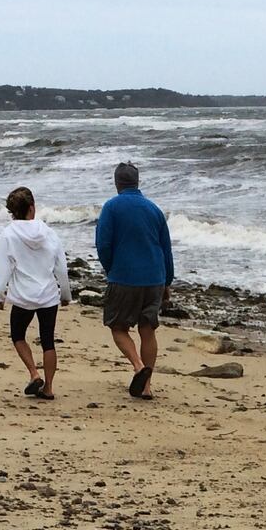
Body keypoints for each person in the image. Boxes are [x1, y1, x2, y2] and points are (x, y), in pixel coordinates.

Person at [95, 162, 174, 400]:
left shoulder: (111, 207)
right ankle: (147, 386)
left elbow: (103, 244)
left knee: (118, 327)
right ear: (137, 182)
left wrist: (111, 269)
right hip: (154, 277)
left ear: (117, 182)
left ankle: (139, 367)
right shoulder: (153, 209)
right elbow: (166, 248)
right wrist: (167, 280)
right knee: (147, 330)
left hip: (125, 276)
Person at [0, 187, 72, 400]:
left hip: (23, 296)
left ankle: (34, 374)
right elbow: (61, 267)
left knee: (18, 335)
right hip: (48, 294)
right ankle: (49, 387)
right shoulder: (49, 232)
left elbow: (1, 268)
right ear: (32, 208)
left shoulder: (8, 234)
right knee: (48, 341)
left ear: (13, 212)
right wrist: (65, 293)